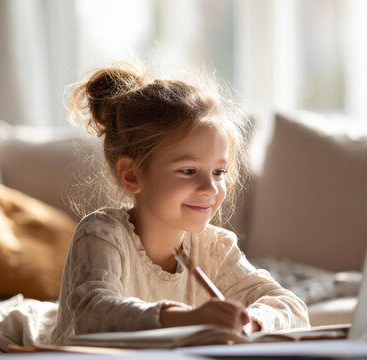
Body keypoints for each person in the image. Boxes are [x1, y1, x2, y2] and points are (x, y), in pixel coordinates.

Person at [50, 61, 310, 344]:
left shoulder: (214, 248)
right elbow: (93, 314)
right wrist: (186, 319)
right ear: (132, 174)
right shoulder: (102, 233)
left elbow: (291, 307)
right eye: (188, 171)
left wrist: (251, 324)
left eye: (219, 172)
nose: (210, 188)